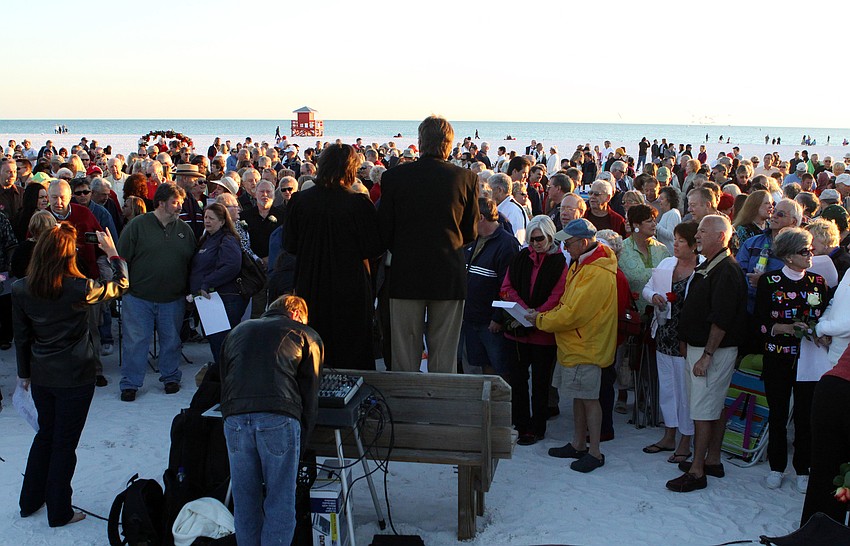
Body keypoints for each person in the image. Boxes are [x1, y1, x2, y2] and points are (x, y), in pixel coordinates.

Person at [14, 223, 128, 527]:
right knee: (64, 443)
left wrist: (23, 373)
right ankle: (59, 510)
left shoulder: (22, 287)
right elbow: (122, 285)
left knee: (46, 436)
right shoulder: (80, 288)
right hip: (75, 375)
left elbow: (21, 336)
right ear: (67, 255)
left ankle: (30, 501)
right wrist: (113, 254)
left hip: (41, 373)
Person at [377, 116, 478, 373]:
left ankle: (405, 410)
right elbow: (470, 232)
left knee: (404, 356)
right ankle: (442, 410)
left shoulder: (394, 177)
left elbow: (384, 232)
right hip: (449, 274)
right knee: (444, 357)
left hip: (406, 273)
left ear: (420, 142)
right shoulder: (466, 178)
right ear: (449, 144)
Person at [219, 295, 323, 546]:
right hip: (278, 416)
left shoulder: (237, 331)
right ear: (297, 314)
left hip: (235, 418)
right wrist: (302, 442)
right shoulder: (305, 334)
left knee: (245, 501)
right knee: (280, 501)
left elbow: (225, 378)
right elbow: (310, 394)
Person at [667, 215, 748, 492]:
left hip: (712, 352)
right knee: (711, 407)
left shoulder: (726, 270)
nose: (697, 235)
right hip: (700, 348)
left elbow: (721, 319)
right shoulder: (712, 265)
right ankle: (712, 459)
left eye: (703, 231)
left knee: (702, 411)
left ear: (721, 237)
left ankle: (697, 469)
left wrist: (707, 356)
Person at [530, 218, 617, 473]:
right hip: (576, 344)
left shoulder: (597, 271)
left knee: (590, 400)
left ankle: (595, 451)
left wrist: (541, 320)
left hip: (587, 345)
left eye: (569, 243)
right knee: (579, 397)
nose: (565, 247)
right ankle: (579, 443)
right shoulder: (584, 262)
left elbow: (575, 313)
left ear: (584, 242)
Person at [283, 144, 382, 370]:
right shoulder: (359, 204)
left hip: (311, 281)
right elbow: (373, 247)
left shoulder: (299, 201)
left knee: (312, 342)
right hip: (351, 285)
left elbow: (289, 245)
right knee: (352, 345)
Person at [755, 228, 829, 492]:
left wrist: (823, 334)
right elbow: (760, 321)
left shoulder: (818, 282)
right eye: (803, 251)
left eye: (810, 249)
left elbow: (824, 317)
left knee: (805, 416)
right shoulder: (769, 281)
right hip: (778, 357)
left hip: (809, 359)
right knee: (777, 413)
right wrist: (780, 328)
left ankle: (803, 468)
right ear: (787, 256)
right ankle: (777, 466)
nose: (810, 255)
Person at [117, 183, 196, 401]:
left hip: (173, 298)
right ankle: (130, 384)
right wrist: (121, 287)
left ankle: (170, 377)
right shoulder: (137, 226)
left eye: (181, 202)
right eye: (175, 202)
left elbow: (192, 262)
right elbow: (121, 259)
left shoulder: (184, 230)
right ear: (161, 203)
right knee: (136, 341)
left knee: (171, 340)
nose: (180, 206)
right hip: (138, 297)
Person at [501, 214, 566, 445]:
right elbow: (506, 286)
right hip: (517, 331)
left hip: (542, 333)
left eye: (540, 239)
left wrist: (536, 313)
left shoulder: (559, 262)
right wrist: (523, 309)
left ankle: (538, 426)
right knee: (517, 380)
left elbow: (559, 294)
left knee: (540, 383)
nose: (536, 243)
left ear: (550, 236)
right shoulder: (520, 257)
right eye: (532, 239)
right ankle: (522, 424)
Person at [642, 222, 701, 463]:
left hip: (686, 339)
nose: (675, 244)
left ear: (694, 245)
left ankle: (686, 440)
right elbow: (648, 288)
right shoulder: (667, 263)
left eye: (680, 241)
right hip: (665, 334)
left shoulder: (702, 268)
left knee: (685, 391)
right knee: (668, 388)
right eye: (674, 239)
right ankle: (669, 435)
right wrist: (654, 296)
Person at [461, 197, 519, 377]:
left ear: (480, 217)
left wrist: (498, 318)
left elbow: (508, 286)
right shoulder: (472, 239)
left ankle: (500, 405)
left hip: (491, 323)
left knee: (500, 369)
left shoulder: (507, 244)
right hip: (472, 318)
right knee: (482, 366)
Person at [189, 203, 245, 367]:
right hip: (208, 300)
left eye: (211, 218)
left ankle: (227, 378)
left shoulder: (226, 239)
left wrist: (207, 283)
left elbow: (231, 266)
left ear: (222, 221)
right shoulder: (207, 239)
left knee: (222, 343)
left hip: (223, 299)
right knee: (216, 342)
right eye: (205, 217)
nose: (207, 221)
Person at [655, 186, 682, 253]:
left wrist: (656, 225)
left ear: (668, 200)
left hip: (670, 252)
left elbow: (671, 235)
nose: (659, 201)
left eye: (661, 198)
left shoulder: (673, 213)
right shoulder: (666, 214)